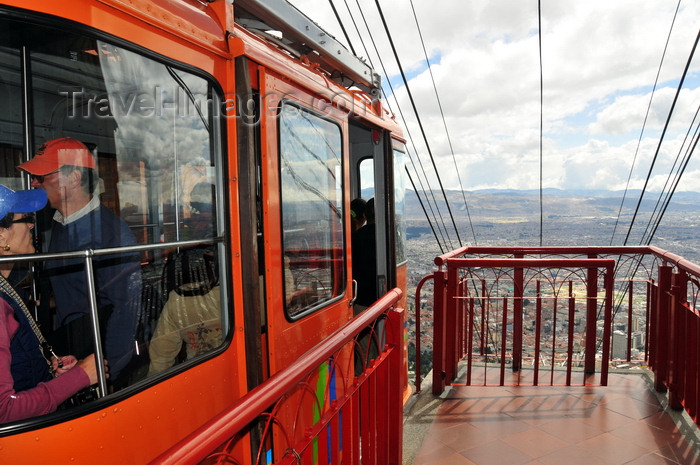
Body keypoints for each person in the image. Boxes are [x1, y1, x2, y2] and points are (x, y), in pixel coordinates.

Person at [17, 137, 141, 385]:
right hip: (71, 347)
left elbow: (126, 311)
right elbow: (81, 289)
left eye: (42, 176)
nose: (34, 182)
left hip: (96, 358)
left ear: (73, 178)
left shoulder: (111, 234)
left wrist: (107, 379)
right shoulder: (60, 222)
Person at [0, 185, 100, 422]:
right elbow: (4, 411)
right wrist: (82, 376)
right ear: (1, 234)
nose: (32, 225)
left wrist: (49, 368)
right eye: (25, 219)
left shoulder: (7, 286)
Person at [351, 197, 377, 310]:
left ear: (365, 216)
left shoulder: (356, 237)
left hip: (361, 297)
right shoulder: (389, 236)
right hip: (382, 296)